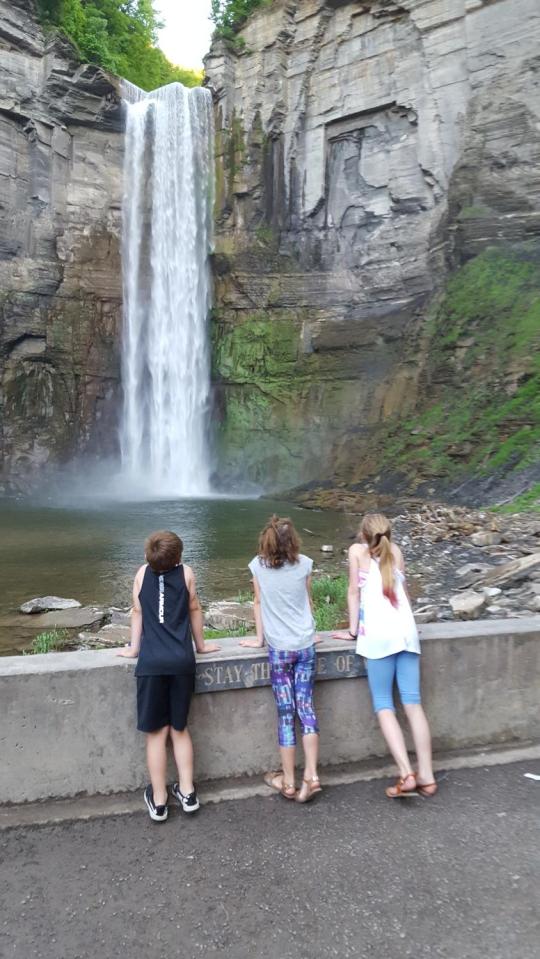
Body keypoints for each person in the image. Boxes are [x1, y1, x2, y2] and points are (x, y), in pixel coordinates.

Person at [333, 513, 437, 798]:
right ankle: (427, 774)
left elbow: (353, 593)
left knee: (384, 705)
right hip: (406, 633)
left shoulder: (356, 551)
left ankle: (406, 774)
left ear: (363, 534)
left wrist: (352, 631)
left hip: (378, 637)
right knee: (413, 704)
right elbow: (403, 594)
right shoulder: (397, 551)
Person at [117, 530, 219, 821]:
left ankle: (159, 800)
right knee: (179, 729)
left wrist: (133, 649)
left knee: (156, 734)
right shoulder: (186, 573)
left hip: (151, 664)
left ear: (148, 557)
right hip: (181, 662)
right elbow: (194, 608)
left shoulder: (140, 574)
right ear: (179, 556)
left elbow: (137, 613)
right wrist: (201, 645)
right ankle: (187, 793)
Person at [240, 515, 322, 803]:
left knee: (286, 714)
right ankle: (311, 776)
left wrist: (259, 640)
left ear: (267, 542)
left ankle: (288, 782)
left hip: (279, 650)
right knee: (306, 708)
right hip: (304, 645)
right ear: (293, 542)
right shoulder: (306, 564)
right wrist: (313, 632)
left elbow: (259, 603)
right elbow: (307, 601)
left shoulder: (257, 567)